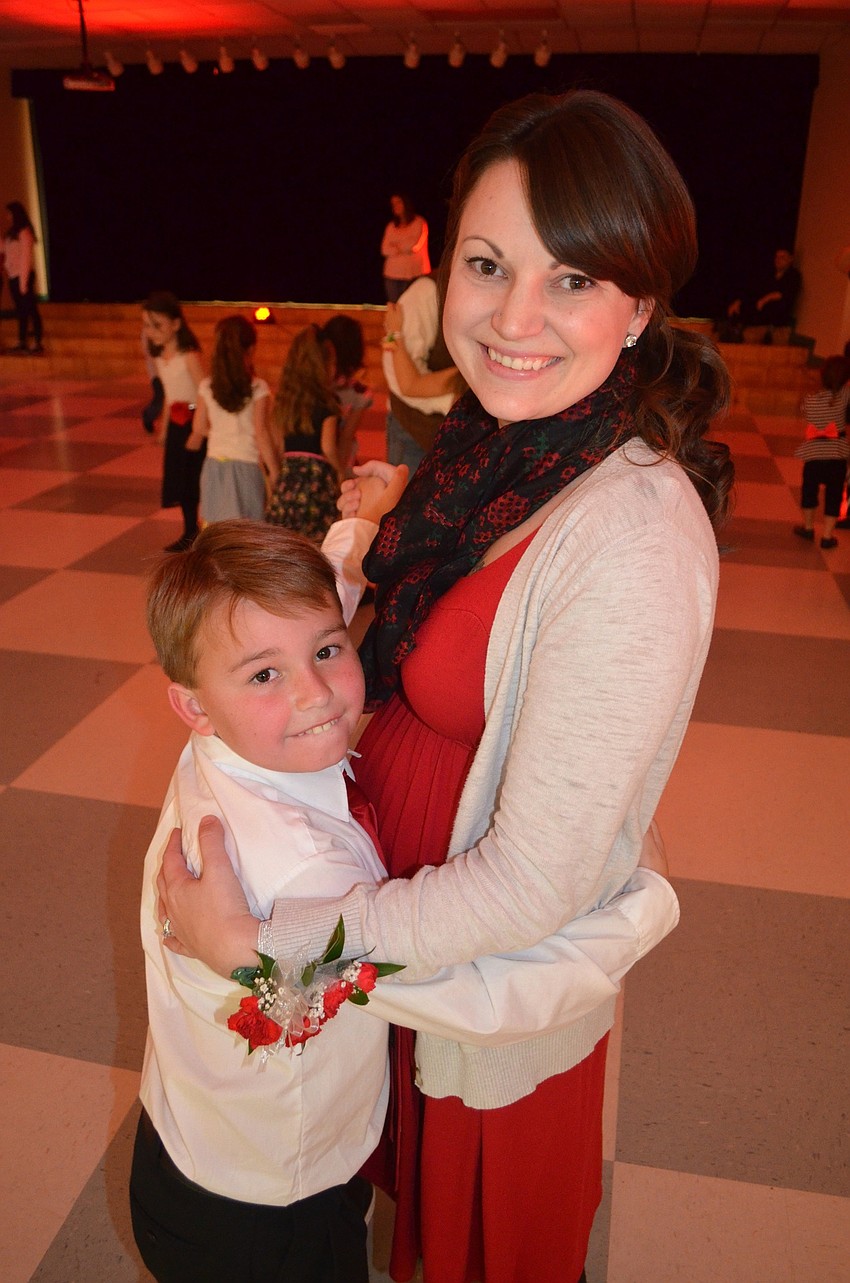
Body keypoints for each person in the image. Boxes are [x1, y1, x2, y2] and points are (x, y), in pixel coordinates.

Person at [157, 89, 734, 1283]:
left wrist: (269, 947)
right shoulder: (489, 449)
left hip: (473, 972)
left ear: (638, 305)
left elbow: (528, 884)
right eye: (487, 264)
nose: (514, 318)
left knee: (485, 1247)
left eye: (572, 278)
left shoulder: (632, 531)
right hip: (402, 939)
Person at [135, 512, 677, 1283]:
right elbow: (483, 998)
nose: (318, 694)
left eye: (328, 650)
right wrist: (644, 906)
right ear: (191, 703)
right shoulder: (300, 886)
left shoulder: (219, 747)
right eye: (265, 675)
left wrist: (356, 527)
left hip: (186, 1140)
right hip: (272, 1211)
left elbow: (306, 606)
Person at [186, 315, 279, 523]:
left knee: (217, 528)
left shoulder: (207, 387)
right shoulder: (258, 388)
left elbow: (199, 427)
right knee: (248, 529)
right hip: (246, 466)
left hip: (214, 466)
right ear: (251, 350)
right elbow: (261, 433)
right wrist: (274, 470)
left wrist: (220, 433)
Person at [266, 326, 343, 542]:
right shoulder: (328, 404)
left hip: (289, 476)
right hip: (315, 479)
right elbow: (328, 447)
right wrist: (340, 471)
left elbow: (279, 444)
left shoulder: (286, 401)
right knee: (316, 542)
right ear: (322, 366)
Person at [382, 274, 464, 474]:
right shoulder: (465, 376)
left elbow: (409, 384)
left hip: (461, 446)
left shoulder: (465, 377)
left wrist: (394, 333)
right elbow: (409, 384)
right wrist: (394, 335)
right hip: (424, 433)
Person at [142, 292, 205, 553]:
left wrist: (199, 430)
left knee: (196, 478)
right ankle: (190, 530)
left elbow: (204, 392)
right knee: (180, 479)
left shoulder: (188, 356)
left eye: (157, 325)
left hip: (194, 421)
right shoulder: (160, 358)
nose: (151, 332)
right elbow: (169, 396)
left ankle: (205, 530)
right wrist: (165, 429)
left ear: (176, 324)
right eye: (147, 325)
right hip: (177, 424)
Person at [792, 354, 849, 549]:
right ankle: (827, 536)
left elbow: (802, 410)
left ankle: (808, 528)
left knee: (809, 490)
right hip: (837, 454)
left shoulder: (810, 400)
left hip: (814, 454)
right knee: (834, 494)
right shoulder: (845, 396)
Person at [321, 314, 373, 474]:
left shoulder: (315, 383)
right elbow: (346, 437)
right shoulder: (360, 392)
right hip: (340, 461)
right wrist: (340, 474)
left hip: (310, 458)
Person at [725, 246, 802, 344]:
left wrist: (765, 299)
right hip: (759, 320)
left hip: (779, 323)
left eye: (782, 257)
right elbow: (754, 291)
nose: (778, 260)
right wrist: (738, 302)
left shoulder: (793, 275)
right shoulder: (768, 275)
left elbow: (784, 293)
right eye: (777, 257)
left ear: (790, 259)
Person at [2, 201, 44, 354]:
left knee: (30, 309)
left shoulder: (25, 233)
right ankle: (22, 341)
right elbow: (5, 250)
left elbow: (25, 258)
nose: (7, 217)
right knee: (21, 311)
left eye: (9, 213)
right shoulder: (11, 233)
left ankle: (38, 342)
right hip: (14, 276)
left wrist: (23, 283)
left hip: (23, 275)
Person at [381, 194, 430, 303]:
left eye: (398, 202)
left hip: (412, 274)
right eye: (393, 204)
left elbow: (413, 245)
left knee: (410, 306)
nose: (395, 206)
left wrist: (395, 246)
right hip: (392, 274)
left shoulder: (419, 222)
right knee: (394, 306)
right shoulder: (391, 226)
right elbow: (384, 249)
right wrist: (400, 248)